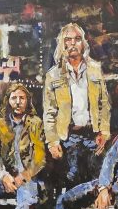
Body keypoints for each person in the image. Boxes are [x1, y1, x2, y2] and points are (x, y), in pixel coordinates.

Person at [43, 23, 111, 185]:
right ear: (62, 44)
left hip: (92, 135)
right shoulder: (53, 75)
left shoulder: (95, 69)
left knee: (97, 179)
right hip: (67, 138)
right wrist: (52, 142)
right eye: (68, 39)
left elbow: (104, 103)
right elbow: (49, 112)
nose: (73, 43)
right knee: (70, 179)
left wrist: (104, 132)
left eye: (77, 39)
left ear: (84, 43)